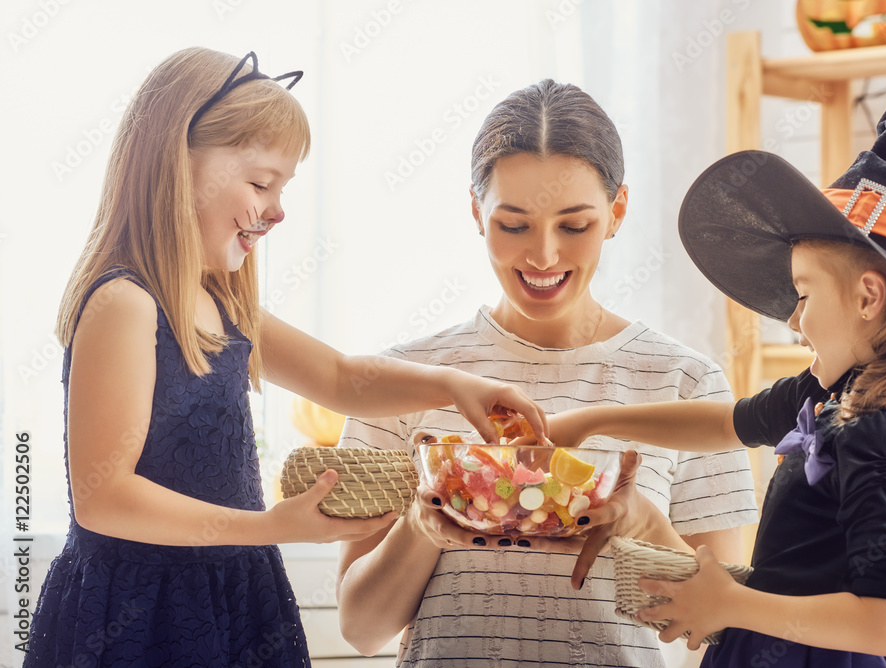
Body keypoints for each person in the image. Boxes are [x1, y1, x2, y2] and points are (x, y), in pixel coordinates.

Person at [24, 47, 547, 668]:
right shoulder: (125, 303)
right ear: (176, 166)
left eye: (283, 187)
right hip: (140, 612)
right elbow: (104, 497)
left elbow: (342, 379)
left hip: (233, 590)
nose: (277, 210)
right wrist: (275, 526)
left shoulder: (221, 302)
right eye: (260, 183)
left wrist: (455, 384)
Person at [545, 90, 886, 667]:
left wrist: (734, 603)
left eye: (804, 294)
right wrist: (588, 421)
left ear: (868, 297)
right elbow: (724, 424)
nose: (792, 318)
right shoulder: (831, 389)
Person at [334, 79, 759, 668]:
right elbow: (359, 628)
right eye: (513, 225)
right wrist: (423, 523)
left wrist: (638, 520)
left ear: (617, 212)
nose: (542, 256)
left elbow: (723, 630)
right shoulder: (406, 380)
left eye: (574, 225)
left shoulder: (686, 384)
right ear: (475, 211)